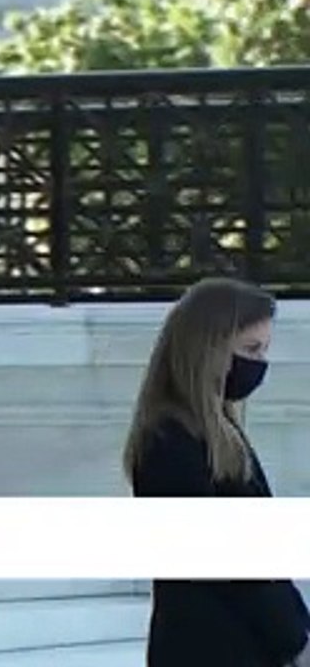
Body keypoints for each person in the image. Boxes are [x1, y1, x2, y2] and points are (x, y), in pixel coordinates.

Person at [124, 277, 310, 667]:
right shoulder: (170, 443)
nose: (259, 364)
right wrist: (293, 638)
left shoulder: (216, 433)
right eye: (250, 349)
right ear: (207, 350)